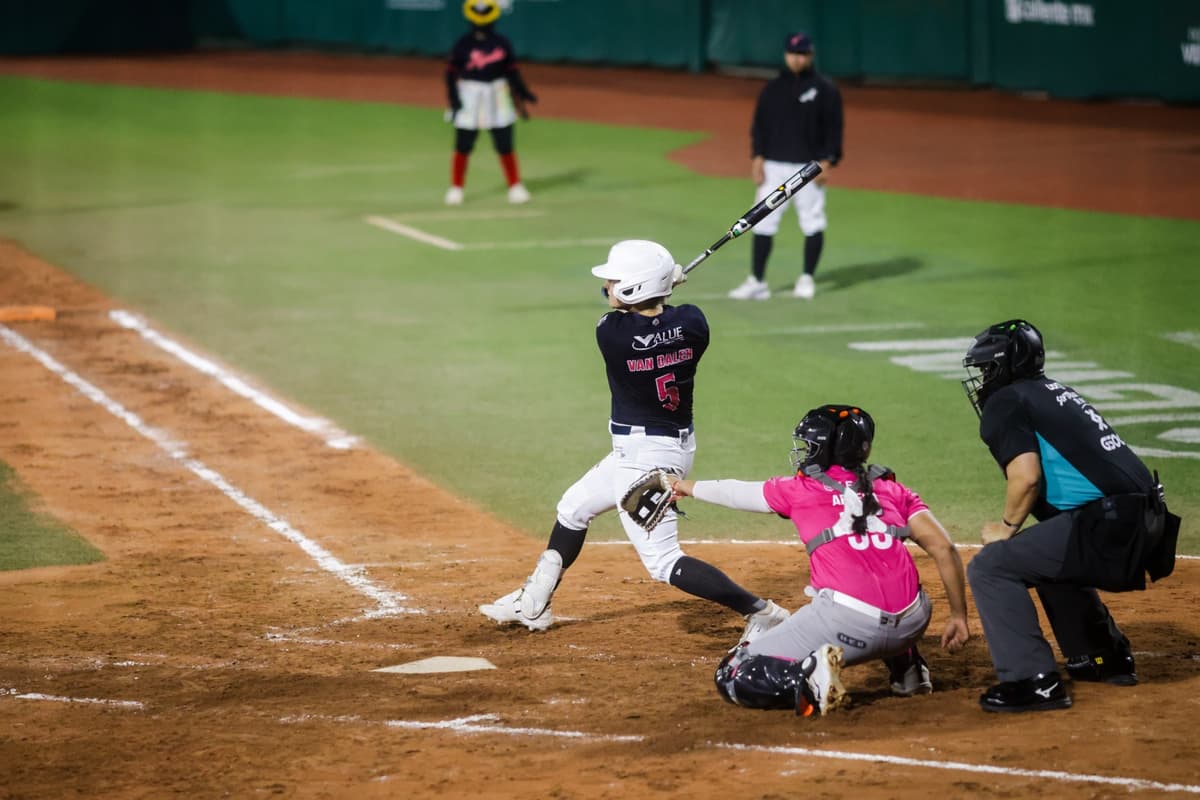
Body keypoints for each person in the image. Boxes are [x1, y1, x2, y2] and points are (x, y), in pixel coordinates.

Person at [480, 240, 790, 643]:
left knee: (663, 562)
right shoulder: (695, 323)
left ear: (633, 289)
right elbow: (670, 319)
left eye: (614, 281)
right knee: (574, 508)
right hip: (660, 447)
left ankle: (763, 613)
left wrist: (668, 281)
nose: (608, 285)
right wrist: (667, 287)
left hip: (646, 460)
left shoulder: (610, 334)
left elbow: (638, 319)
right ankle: (534, 601)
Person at [668, 404, 970, 717]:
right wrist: (958, 616)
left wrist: (684, 487)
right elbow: (944, 548)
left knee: (733, 675)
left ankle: (812, 677)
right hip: (913, 622)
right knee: (884, 579)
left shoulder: (801, 489)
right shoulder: (892, 489)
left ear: (828, 450)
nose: (805, 451)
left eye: (811, 446)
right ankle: (909, 672)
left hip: (850, 625)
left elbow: (736, 492)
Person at [961, 319, 1179, 713]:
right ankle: (1101, 658)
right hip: (1148, 521)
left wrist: (1007, 528)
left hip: (1112, 525)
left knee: (990, 567)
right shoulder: (1054, 392)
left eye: (987, 368)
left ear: (1005, 365)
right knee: (1045, 557)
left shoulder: (1006, 401)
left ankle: (1032, 681)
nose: (983, 378)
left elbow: (1025, 478)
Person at [729, 31, 843, 302]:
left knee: (812, 222)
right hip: (774, 165)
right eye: (793, 53)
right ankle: (757, 281)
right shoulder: (773, 88)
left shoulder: (825, 89)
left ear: (811, 55)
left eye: (802, 54)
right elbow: (760, 126)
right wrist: (757, 157)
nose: (797, 58)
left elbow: (834, 128)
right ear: (785, 55)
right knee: (762, 223)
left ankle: (806, 278)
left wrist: (828, 160)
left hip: (808, 168)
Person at [443, 0, 537, 206]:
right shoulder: (463, 44)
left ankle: (515, 186)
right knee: (463, 144)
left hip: (497, 94)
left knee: (505, 143)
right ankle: (456, 188)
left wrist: (523, 92)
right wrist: (454, 98)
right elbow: (450, 74)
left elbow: (512, 71)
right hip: (470, 94)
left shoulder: (501, 42)